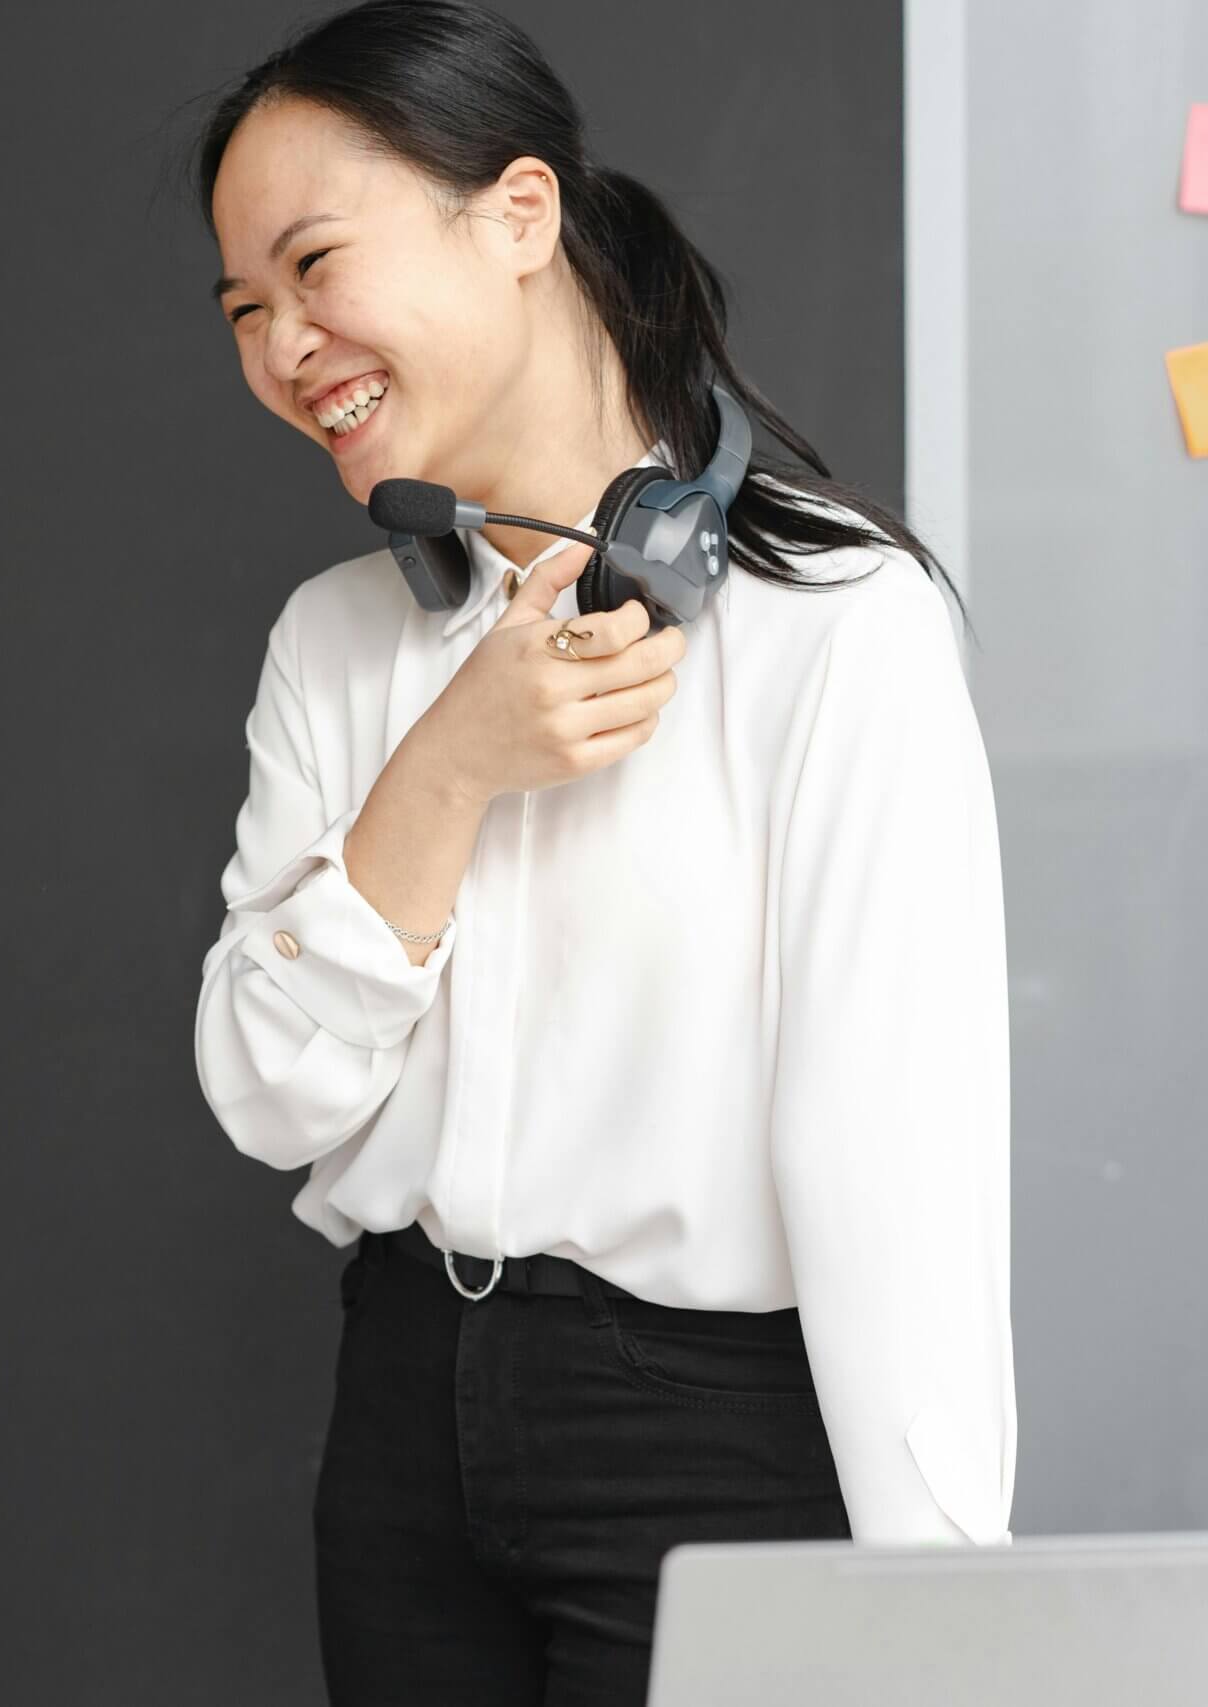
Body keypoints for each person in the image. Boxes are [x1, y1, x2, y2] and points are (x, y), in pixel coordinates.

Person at [188, 4, 1012, 1701]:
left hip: (718, 1444)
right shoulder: (335, 647)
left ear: (518, 216)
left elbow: (897, 1178)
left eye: (315, 263)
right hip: (407, 1420)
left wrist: (948, 1619)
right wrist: (450, 766)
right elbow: (271, 1098)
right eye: (245, 311)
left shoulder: (840, 627)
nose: (284, 347)